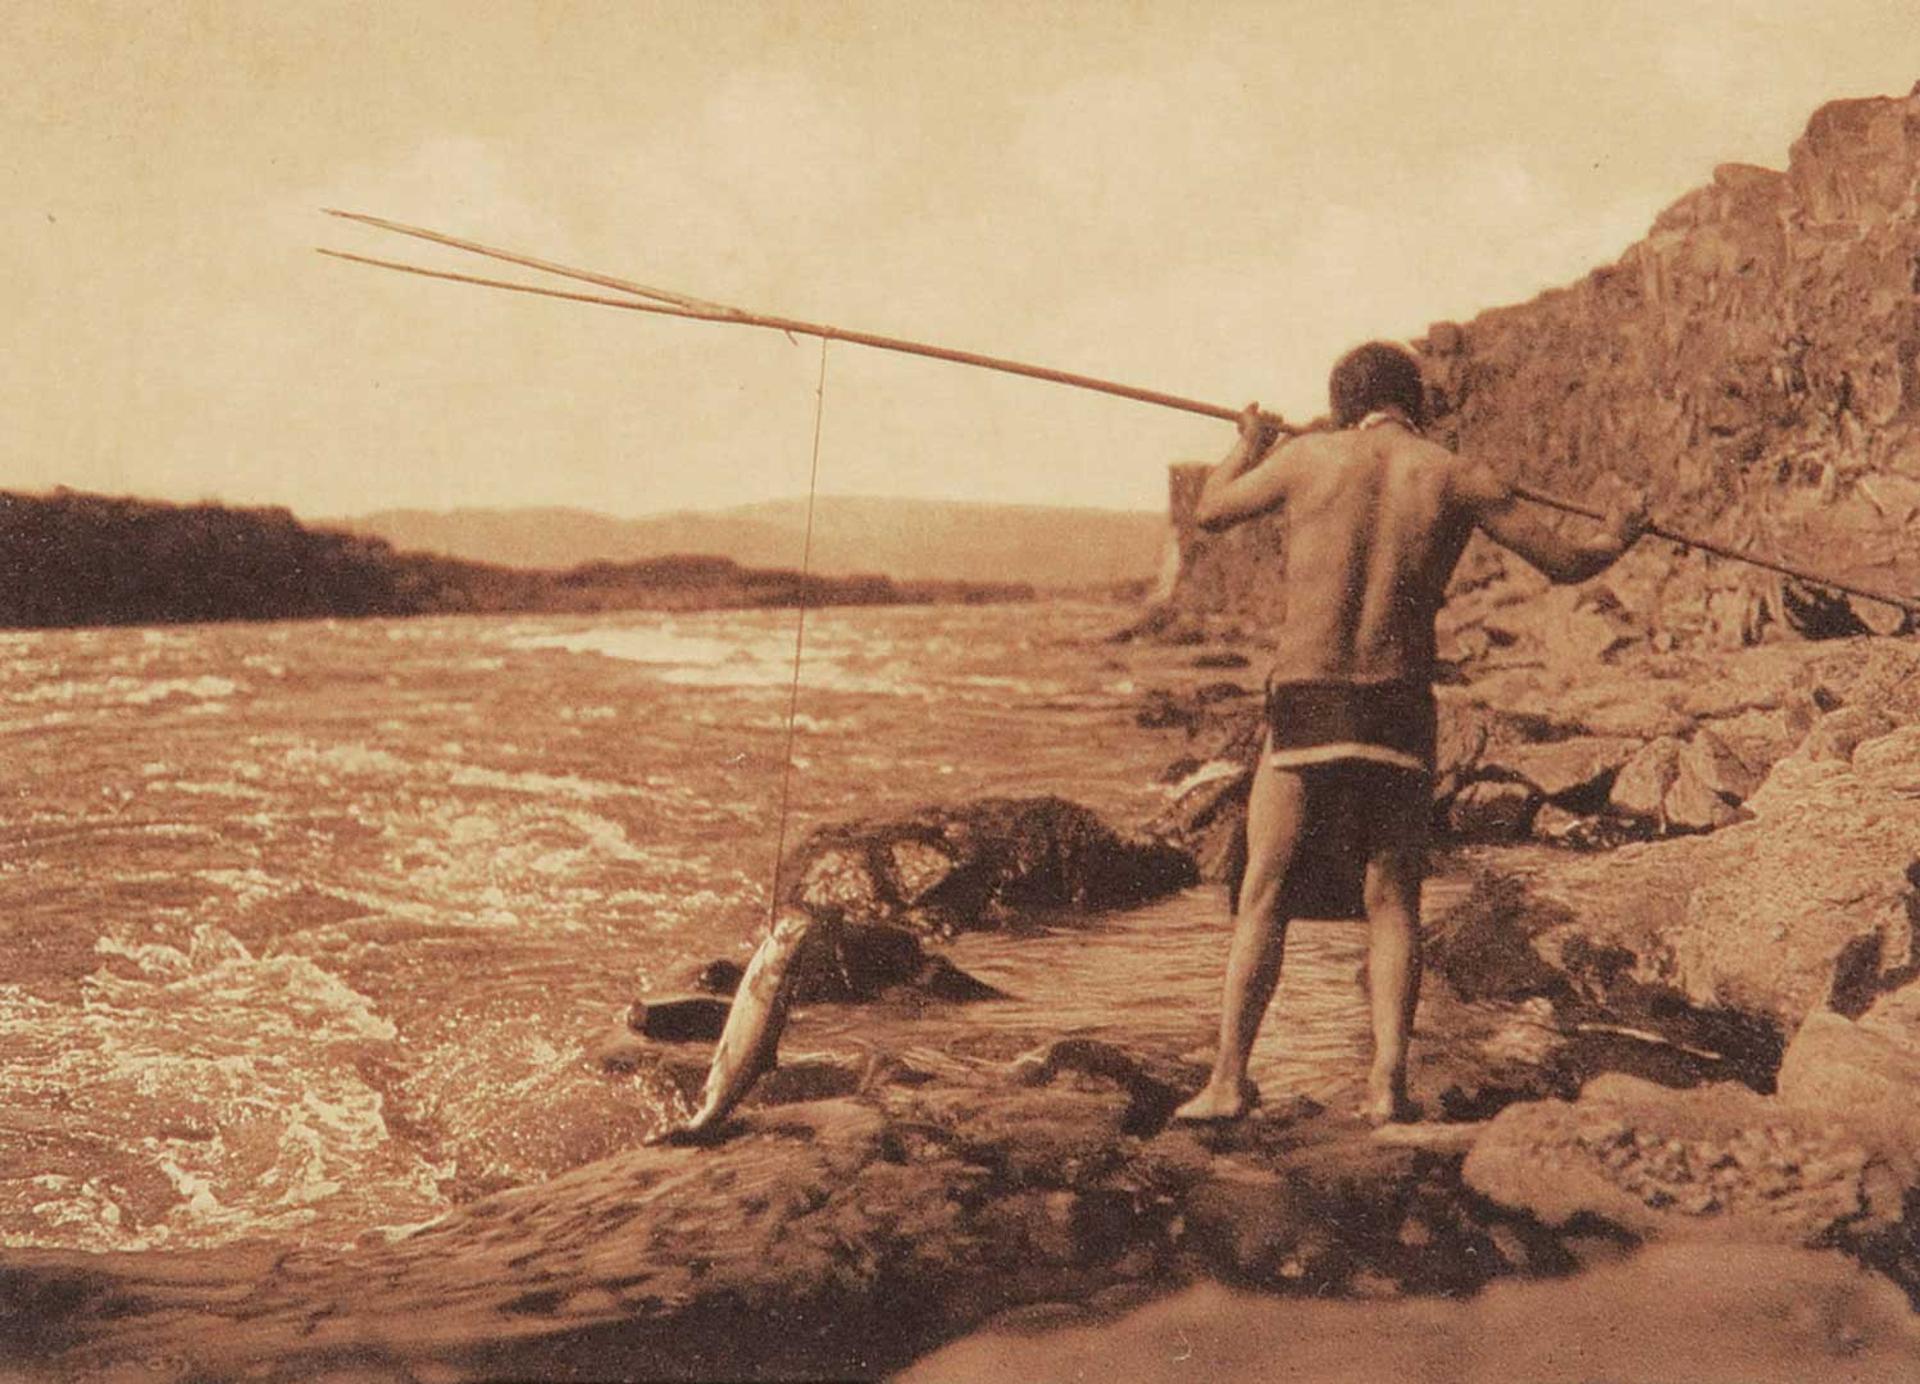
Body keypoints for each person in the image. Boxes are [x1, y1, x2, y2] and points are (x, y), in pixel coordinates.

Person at [1170, 341, 1648, 1126]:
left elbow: (1211, 509)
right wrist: (1621, 533)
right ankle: (1387, 1084)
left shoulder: (1303, 459)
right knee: (1393, 901)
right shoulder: (1456, 474)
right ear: (1412, 400)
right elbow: (1566, 563)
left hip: (1307, 697)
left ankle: (1227, 1080)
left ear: (1343, 401)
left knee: (1263, 894)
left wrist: (1246, 443)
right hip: (1395, 702)